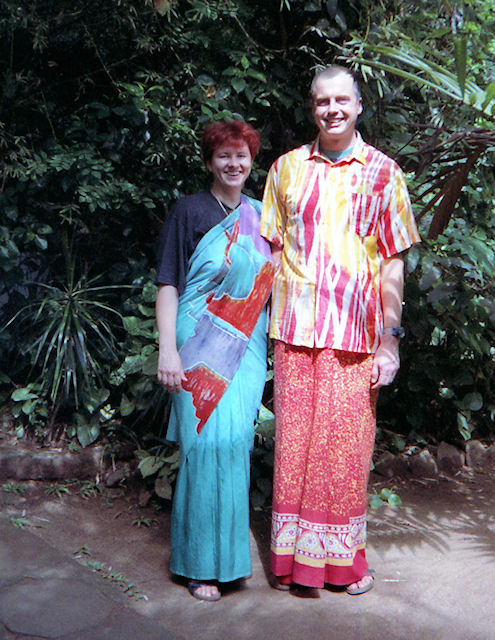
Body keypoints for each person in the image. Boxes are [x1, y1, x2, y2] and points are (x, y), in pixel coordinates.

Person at [260, 65, 420, 596]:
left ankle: (342, 565)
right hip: (294, 333)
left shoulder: (384, 173)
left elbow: (393, 264)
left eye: (341, 100)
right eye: (322, 101)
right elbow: (270, 254)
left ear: (358, 105)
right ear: (312, 108)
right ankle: (291, 565)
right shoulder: (285, 169)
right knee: (295, 448)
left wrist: (390, 341)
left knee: (345, 452)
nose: (332, 109)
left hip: (355, 337)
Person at [155, 119, 274, 602]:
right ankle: (198, 565)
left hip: (246, 347)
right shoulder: (188, 211)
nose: (233, 163)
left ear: (251, 161)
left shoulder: (262, 216)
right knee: (203, 447)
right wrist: (167, 348)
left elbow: (272, 285)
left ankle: (230, 564)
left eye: (241, 155)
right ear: (209, 161)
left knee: (235, 445)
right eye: (224, 155)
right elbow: (169, 284)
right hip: (196, 344)